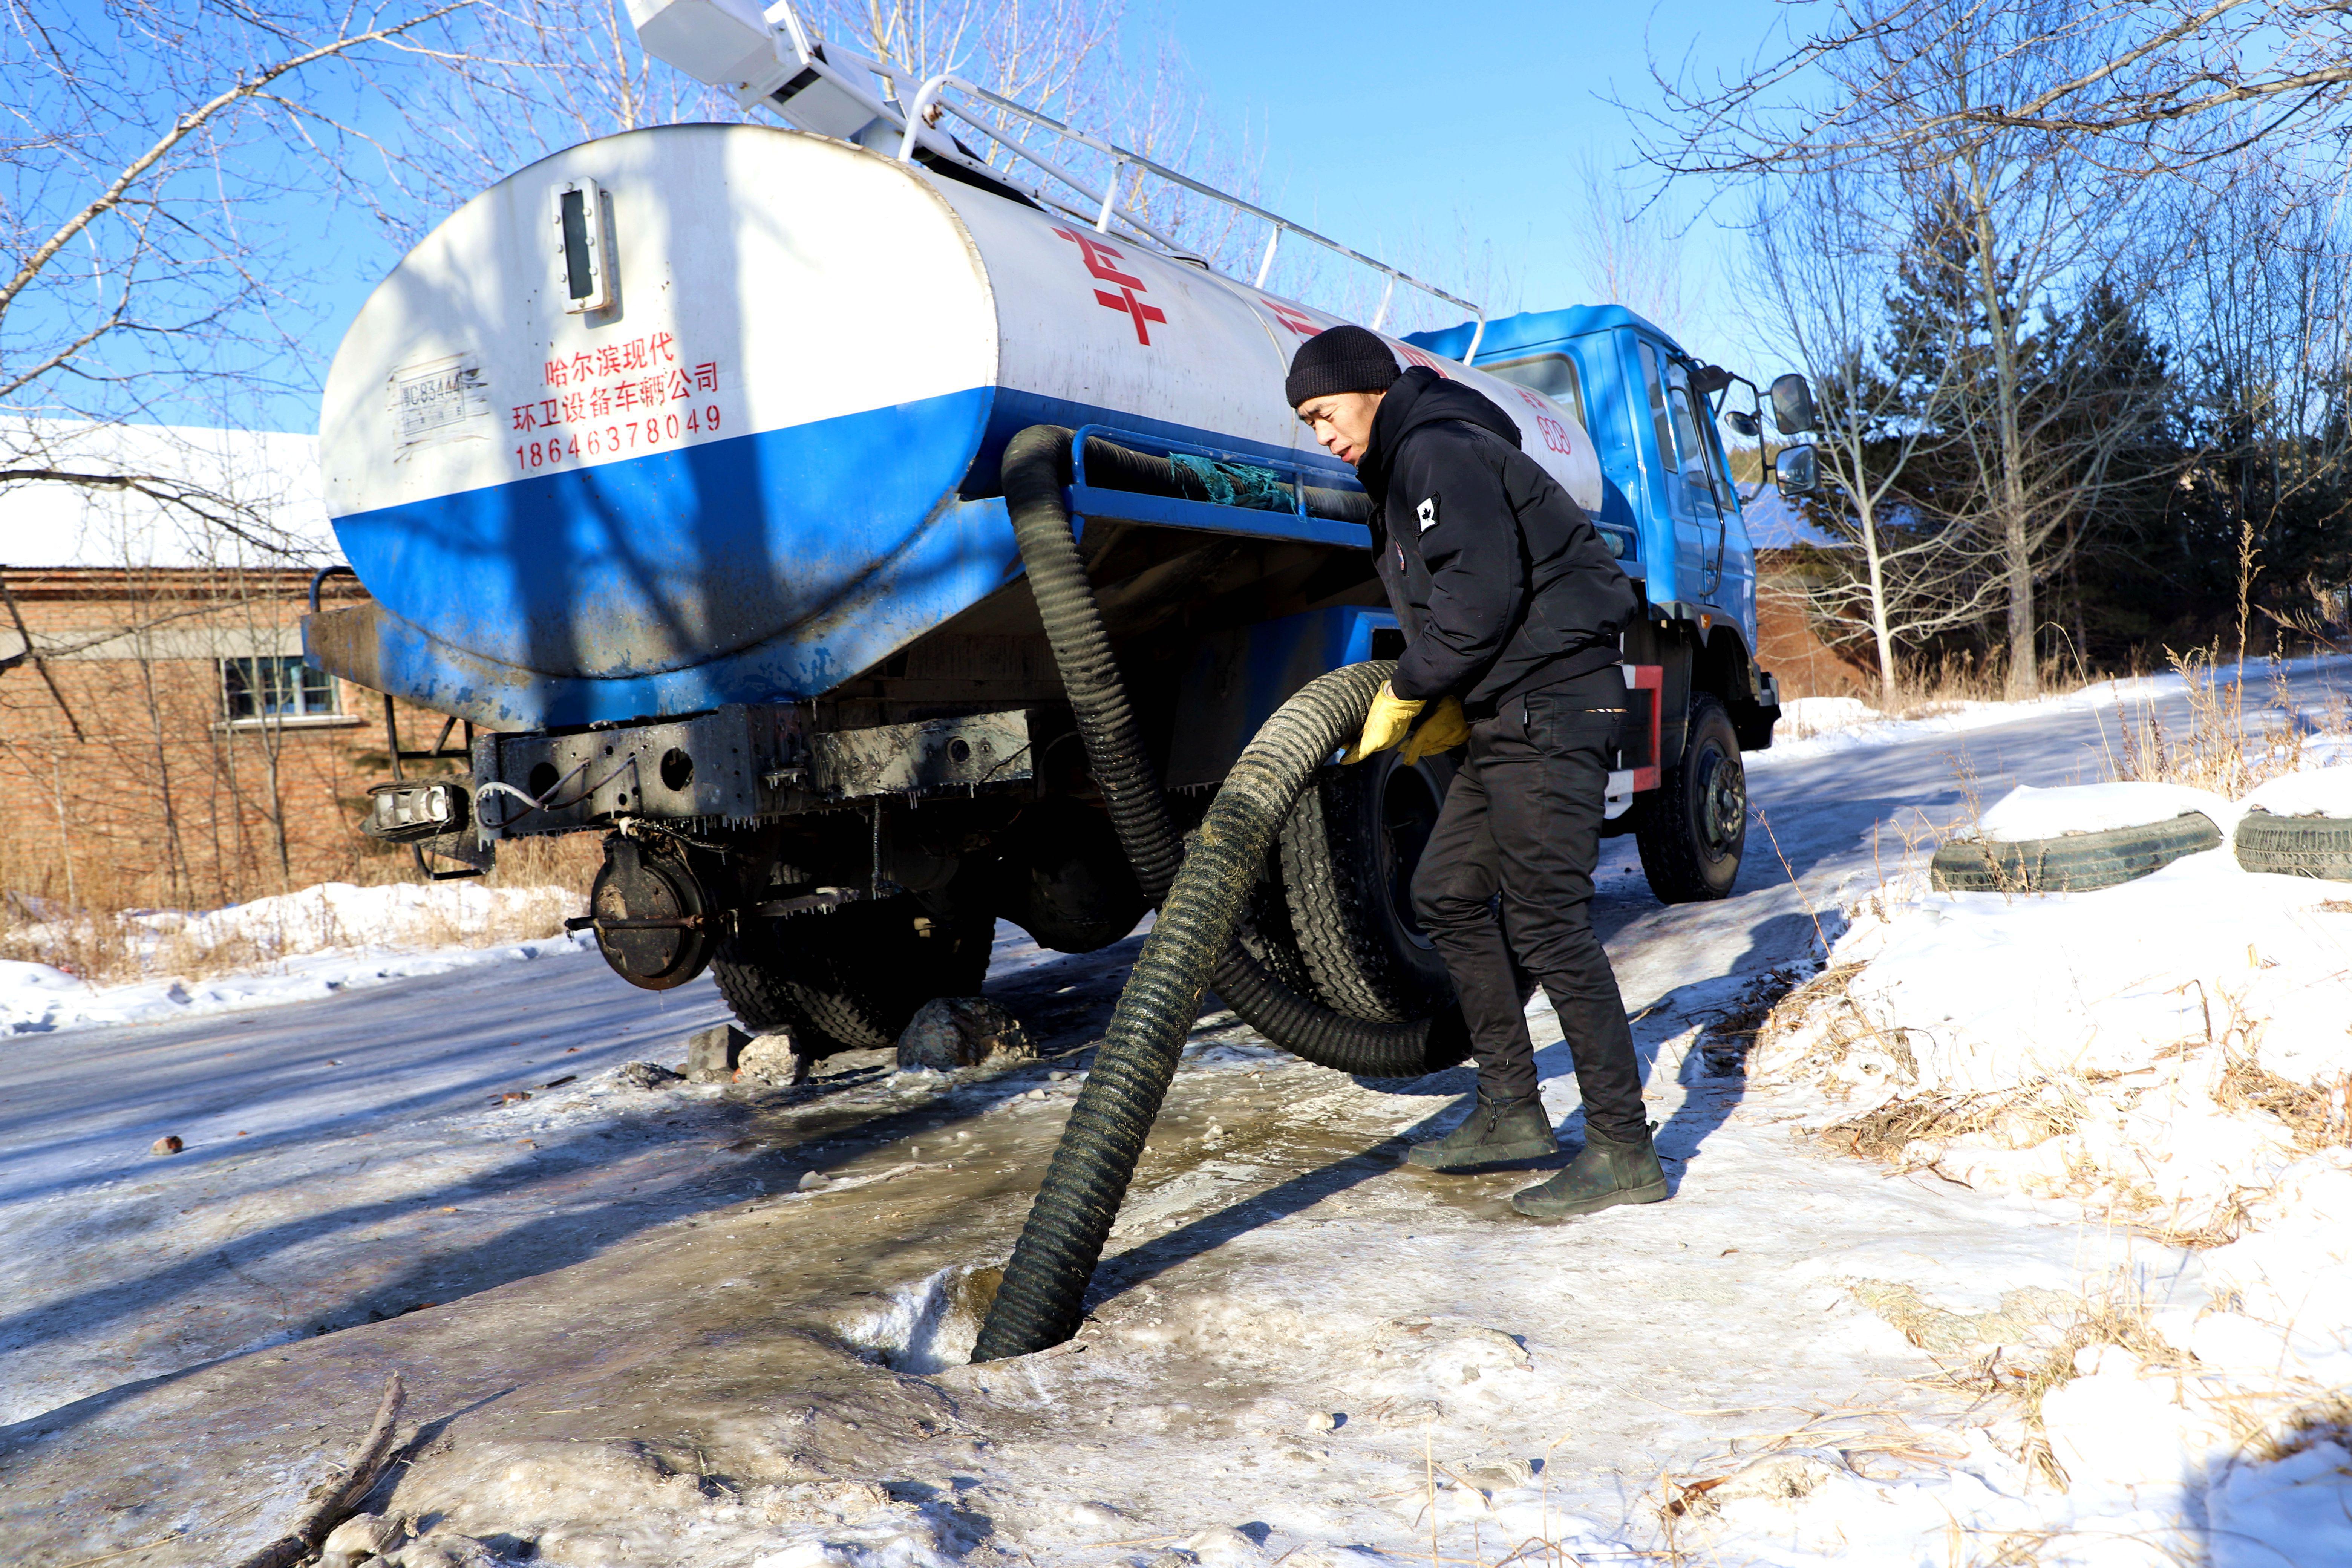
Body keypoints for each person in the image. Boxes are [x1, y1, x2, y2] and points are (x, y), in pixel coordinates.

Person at [1283, 323, 1663, 1219]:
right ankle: (1512, 1109)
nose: (1322, 433)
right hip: (1511, 711)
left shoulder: (1436, 452)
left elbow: (1478, 596)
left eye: (1326, 411)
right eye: (1306, 420)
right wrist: (1450, 692)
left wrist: (1411, 689)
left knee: (1548, 925)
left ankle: (1623, 1147)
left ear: (1372, 389)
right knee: (1450, 889)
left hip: (1554, 706)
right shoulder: (1412, 464)